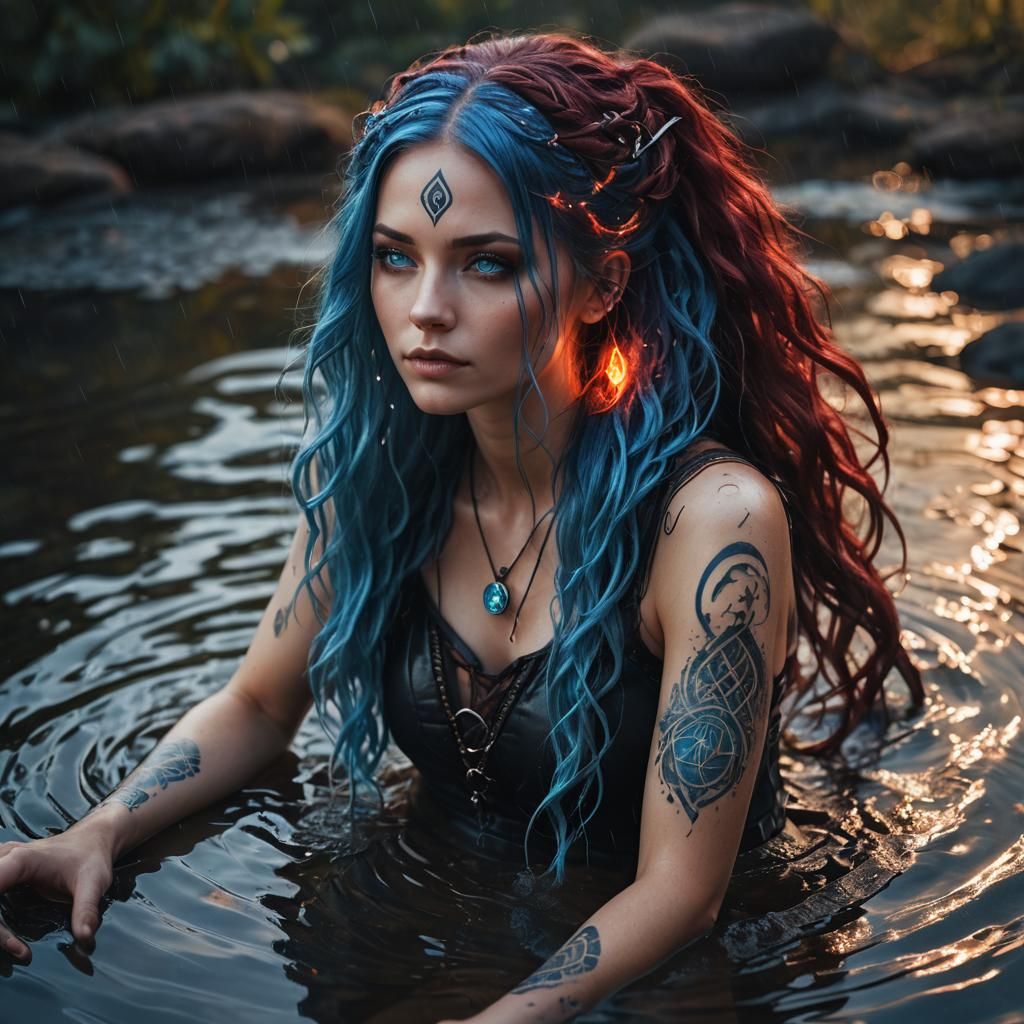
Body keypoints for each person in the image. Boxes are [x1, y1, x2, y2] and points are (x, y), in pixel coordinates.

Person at [0, 29, 923, 1023]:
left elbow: (682, 893)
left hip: (674, 979)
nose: (423, 312)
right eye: (396, 258)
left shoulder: (712, 523)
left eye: (485, 264)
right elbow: (262, 706)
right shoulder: (382, 480)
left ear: (602, 284)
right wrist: (97, 831)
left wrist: (502, 1017)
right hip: (434, 913)